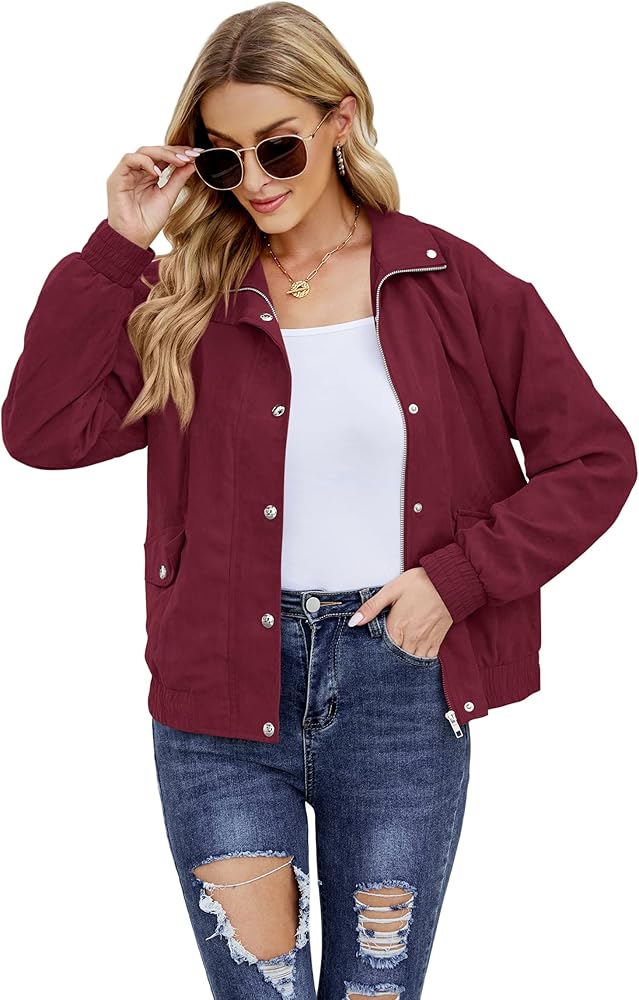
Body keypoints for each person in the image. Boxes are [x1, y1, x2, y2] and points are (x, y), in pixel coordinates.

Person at [2, 3, 636, 998]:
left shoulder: (453, 284)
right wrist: (118, 248)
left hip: (398, 692)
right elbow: (42, 431)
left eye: (279, 147)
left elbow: (596, 459)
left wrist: (458, 581)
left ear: (341, 119)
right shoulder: (190, 301)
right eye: (225, 159)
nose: (255, 181)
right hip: (218, 699)